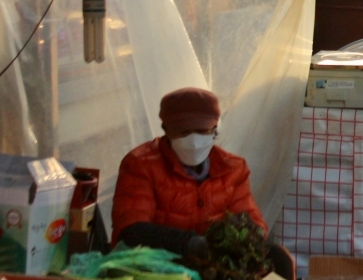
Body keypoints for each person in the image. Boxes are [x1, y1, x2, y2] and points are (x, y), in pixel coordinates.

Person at [111, 87, 266, 254]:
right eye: (183, 132)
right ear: (166, 129)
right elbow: (131, 229)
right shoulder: (141, 165)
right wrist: (189, 243)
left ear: (215, 129)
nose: (193, 141)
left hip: (209, 264)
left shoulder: (232, 169)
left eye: (202, 131)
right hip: (154, 265)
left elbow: (253, 225)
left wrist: (241, 242)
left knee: (279, 258)